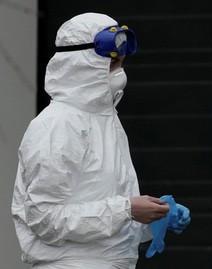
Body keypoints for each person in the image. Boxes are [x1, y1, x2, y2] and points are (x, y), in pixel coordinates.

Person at [11, 12, 171, 269]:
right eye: (113, 59)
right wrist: (127, 210)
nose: (120, 65)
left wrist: (150, 220)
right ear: (82, 61)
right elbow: (45, 218)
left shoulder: (106, 120)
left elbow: (102, 214)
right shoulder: (57, 125)